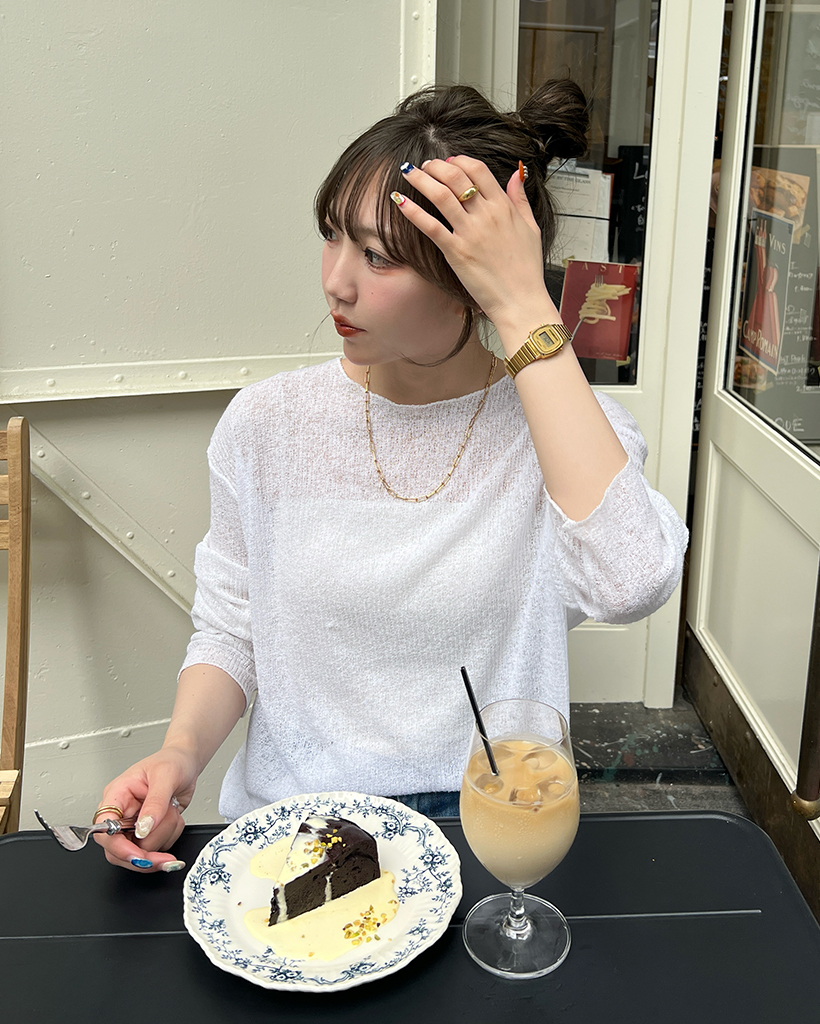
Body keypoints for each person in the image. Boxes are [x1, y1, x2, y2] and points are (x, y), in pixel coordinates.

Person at [95, 79, 688, 872]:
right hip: (296, 825)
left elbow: (631, 581)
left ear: (468, 278)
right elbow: (235, 625)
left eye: (377, 256)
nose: (336, 282)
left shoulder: (562, 431)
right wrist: (180, 753)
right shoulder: (267, 425)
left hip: (480, 825)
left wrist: (524, 303)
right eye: (332, 236)